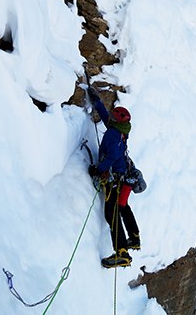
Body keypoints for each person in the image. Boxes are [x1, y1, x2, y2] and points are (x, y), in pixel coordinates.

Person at [87, 87, 141, 268]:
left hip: (114, 178)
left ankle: (121, 253)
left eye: (113, 115)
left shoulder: (112, 133)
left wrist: (98, 169)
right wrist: (96, 102)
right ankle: (132, 240)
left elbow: (111, 155)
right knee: (120, 207)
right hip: (122, 175)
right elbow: (106, 118)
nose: (110, 116)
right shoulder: (120, 130)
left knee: (112, 214)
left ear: (116, 119)